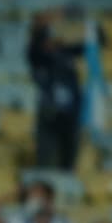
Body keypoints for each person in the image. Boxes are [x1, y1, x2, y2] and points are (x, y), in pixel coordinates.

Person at [28, 10, 88, 170]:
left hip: (71, 110)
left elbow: (95, 40)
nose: (51, 42)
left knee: (69, 156)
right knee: (46, 157)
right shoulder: (38, 55)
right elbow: (35, 40)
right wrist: (50, 19)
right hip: (49, 110)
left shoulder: (66, 53)